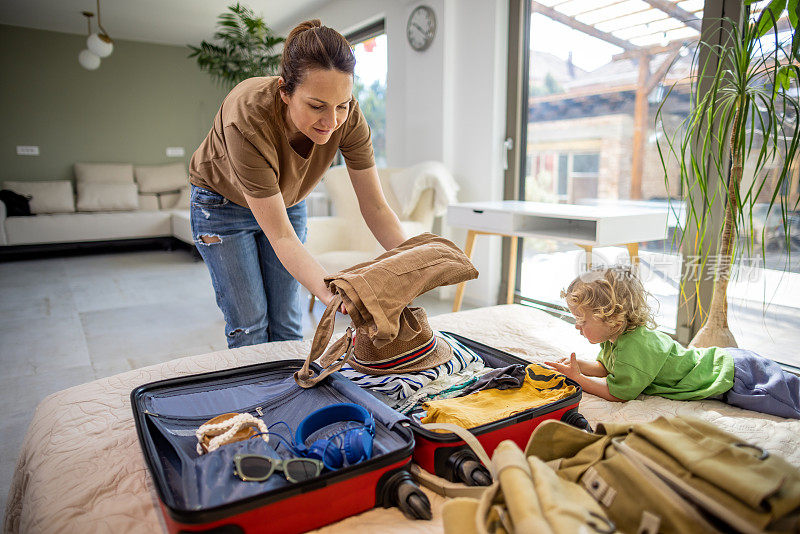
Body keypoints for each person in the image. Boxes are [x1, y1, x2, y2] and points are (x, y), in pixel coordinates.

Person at [188, 20, 407, 348]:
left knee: (287, 321)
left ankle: (290, 396)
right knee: (250, 324)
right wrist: (333, 292)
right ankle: (260, 398)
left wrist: (415, 259)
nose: (332, 121)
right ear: (284, 92)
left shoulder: (348, 118)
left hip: (288, 201)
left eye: (342, 106)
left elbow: (375, 206)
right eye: (317, 106)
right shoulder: (246, 118)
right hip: (222, 206)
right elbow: (281, 236)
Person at [545, 265, 800, 419]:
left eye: (582, 320)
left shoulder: (636, 345)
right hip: (727, 365)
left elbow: (617, 393)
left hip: (736, 376)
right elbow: (607, 368)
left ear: (611, 318)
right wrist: (574, 368)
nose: (577, 326)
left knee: (793, 401)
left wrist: (579, 379)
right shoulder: (615, 338)